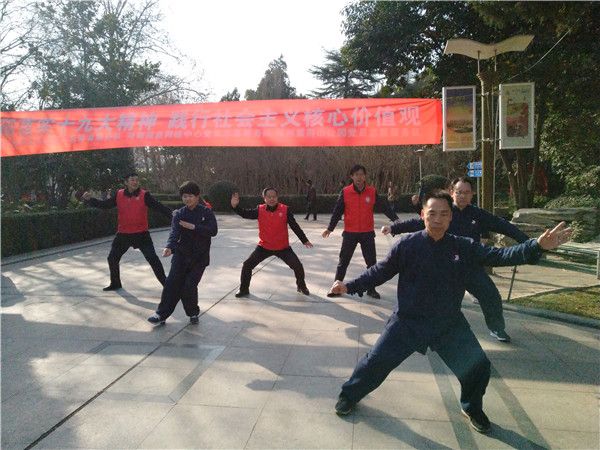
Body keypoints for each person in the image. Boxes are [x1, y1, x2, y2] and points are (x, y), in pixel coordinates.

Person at [331, 190, 572, 433]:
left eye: (444, 214)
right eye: (432, 213)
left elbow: (500, 255)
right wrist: (349, 286)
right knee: (375, 362)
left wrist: (536, 246)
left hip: (448, 324)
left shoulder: (462, 246)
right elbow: (379, 272)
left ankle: (472, 407)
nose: (437, 219)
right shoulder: (407, 245)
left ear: (450, 218)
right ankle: (349, 395)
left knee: (478, 368)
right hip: (408, 321)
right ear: (423, 215)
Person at [382, 176, 529, 342]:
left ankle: (497, 328)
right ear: (452, 193)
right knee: (433, 298)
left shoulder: (477, 214)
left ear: (472, 194)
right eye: (459, 192)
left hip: (469, 265)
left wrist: (529, 242)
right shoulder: (444, 211)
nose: (462, 196)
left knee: (490, 295)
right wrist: (393, 228)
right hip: (444, 265)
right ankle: (424, 330)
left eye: (466, 192)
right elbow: (418, 222)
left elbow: (503, 225)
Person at [83, 172, 172, 291]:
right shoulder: (119, 194)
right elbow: (105, 205)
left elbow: (158, 206)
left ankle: (167, 285)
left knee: (153, 259)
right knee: (112, 258)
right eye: (132, 180)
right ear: (126, 182)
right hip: (123, 234)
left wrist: (172, 213)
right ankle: (115, 283)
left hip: (141, 234)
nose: (135, 182)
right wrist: (90, 200)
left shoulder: (144, 195)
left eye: (137, 180)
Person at [322, 164, 399, 299]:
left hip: (367, 233)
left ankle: (371, 288)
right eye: (356, 174)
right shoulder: (345, 192)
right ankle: (336, 287)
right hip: (350, 233)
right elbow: (337, 211)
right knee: (343, 262)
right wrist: (330, 228)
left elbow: (384, 207)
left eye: (361, 174)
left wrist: (395, 219)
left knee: (371, 263)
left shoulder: (371, 191)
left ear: (365, 176)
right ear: (352, 176)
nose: (359, 177)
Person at [148, 181, 218, 325]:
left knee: (189, 286)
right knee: (171, 284)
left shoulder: (206, 212)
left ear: (197, 197)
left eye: (190, 196)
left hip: (199, 257)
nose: (187, 199)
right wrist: (169, 247)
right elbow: (174, 232)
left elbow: (213, 231)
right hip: (181, 255)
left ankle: (193, 313)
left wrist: (194, 227)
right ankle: (161, 315)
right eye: (185, 196)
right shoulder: (180, 214)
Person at [231, 187, 313, 297]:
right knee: (247, 265)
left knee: (298, 266)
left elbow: (294, 226)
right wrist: (235, 207)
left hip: (283, 247)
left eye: (274, 197)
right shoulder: (259, 210)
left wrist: (304, 240)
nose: (272, 199)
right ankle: (244, 289)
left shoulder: (285, 210)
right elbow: (245, 214)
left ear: (277, 197)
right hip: (264, 247)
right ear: (264, 198)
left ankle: (301, 286)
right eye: (269, 197)